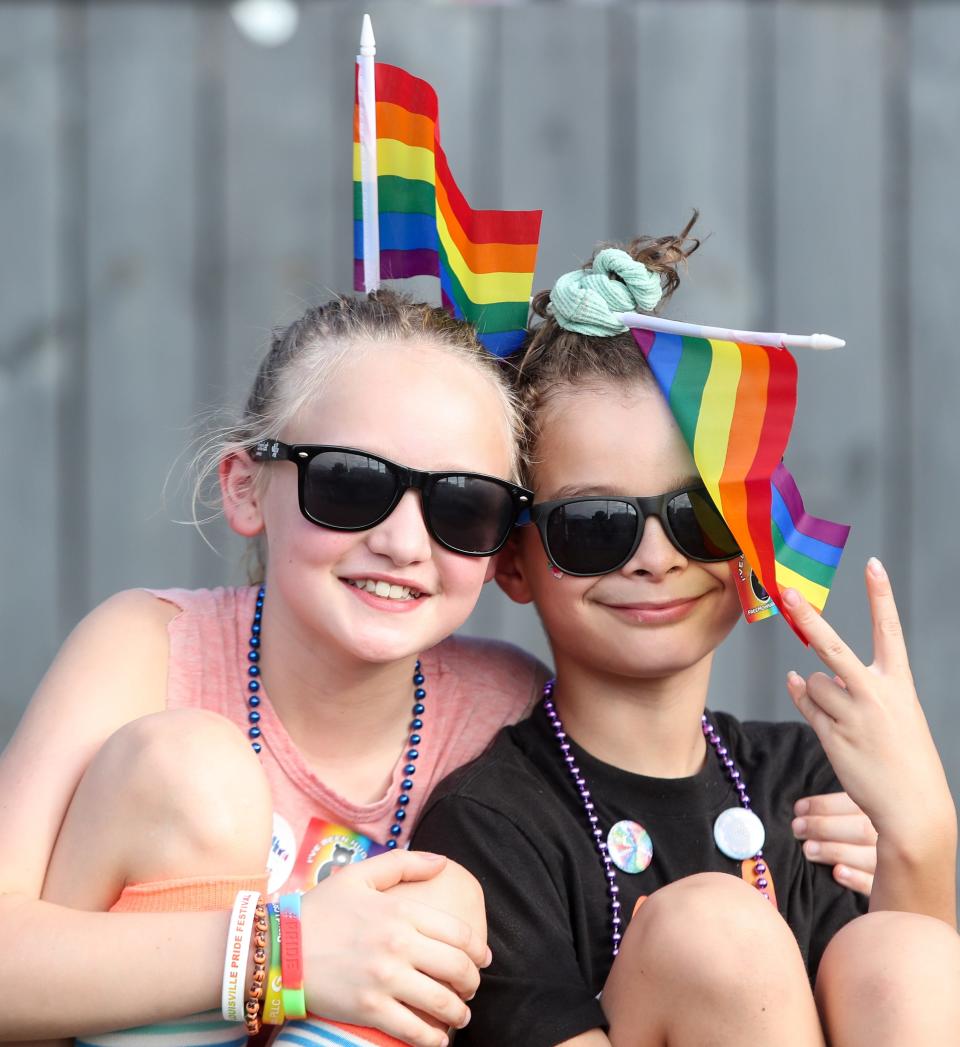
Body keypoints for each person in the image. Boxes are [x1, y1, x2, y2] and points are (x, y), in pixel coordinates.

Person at [411, 225, 960, 1046]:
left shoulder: (809, 781)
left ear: (749, 538)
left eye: (698, 516)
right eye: (596, 524)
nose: (656, 559)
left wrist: (923, 833)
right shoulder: (490, 822)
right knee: (714, 931)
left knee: (904, 949)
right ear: (514, 562)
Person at [0, 291, 547, 1047]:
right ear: (245, 486)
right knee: (191, 771)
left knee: (444, 892)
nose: (402, 541)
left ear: (502, 547)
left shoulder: (508, 706)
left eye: (464, 506)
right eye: (351, 483)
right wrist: (288, 951)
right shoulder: (150, 647)